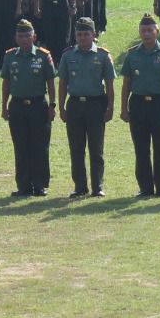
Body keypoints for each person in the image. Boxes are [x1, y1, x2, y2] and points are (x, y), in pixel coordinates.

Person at [118, 14, 160, 198]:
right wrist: (124, 109)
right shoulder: (132, 55)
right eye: (143, 30)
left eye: (150, 30)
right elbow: (126, 84)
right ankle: (145, 187)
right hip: (138, 104)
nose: (146, 34)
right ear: (140, 32)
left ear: (157, 32)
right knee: (141, 148)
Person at [57, 16, 115, 198]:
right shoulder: (68, 55)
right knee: (76, 148)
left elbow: (110, 84)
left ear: (94, 35)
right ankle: (80, 186)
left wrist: (110, 107)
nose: (82, 38)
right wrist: (61, 107)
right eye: (79, 34)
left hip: (96, 104)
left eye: (85, 34)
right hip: (75, 105)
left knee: (96, 149)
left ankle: (97, 187)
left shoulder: (103, 55)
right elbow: (62, 83)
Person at [1, 19, 56, 197]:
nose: (24, 39)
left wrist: (52, 105)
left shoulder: (43, 56)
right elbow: (6, 83)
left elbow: (51, 82)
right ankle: (23, 185)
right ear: (15, 37)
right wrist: (3, 106)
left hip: (38, 105)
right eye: (20, 36)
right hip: (17, 106)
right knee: (21, 146)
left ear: (34, 36)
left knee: (39, 146)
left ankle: (40, 185)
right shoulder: (10, 56)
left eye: (27, 35)